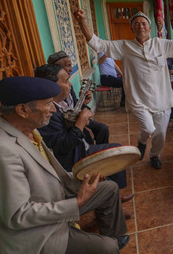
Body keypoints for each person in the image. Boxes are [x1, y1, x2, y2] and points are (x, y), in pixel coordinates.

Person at [0, 76, 141, 254]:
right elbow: (19, 216)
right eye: (48, 103)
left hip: (55, 204)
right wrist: (78, 202)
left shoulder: (28, 132)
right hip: (36, 233)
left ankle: (113, 241)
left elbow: (53, 175)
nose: (54, 109)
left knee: (109, 188)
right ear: (22, 110)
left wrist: (83, 179)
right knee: (105, 247)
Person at [73, 9, 173, 169]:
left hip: (162, 98)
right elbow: (98, 43)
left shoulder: (161, 44)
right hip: (138, 99)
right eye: (136, 24)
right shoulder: (124, 46)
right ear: (132, 29)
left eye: (143, 23)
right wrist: (82, 22)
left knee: (161, 134)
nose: (140, 26)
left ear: (149, 28)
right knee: (148, 128)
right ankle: (142, 142)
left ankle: (154, 155)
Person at [34, 64, 134, 208]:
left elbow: (75, 115)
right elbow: (63, 148)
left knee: (111, 145)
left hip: (81, 146)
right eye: (66, 81)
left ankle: (114, 196)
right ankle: (112, 197)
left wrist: (84, 107)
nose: (70, 84)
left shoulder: (62, 101)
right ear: (51, 86)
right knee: (116, 152)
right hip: (76, 158)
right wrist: (81, 121)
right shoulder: (48, 112)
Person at [47, 50, 110, 145]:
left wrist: (83, 102)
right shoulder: (55, 94)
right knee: (87, 136)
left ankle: (100, 151)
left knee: (103, 129)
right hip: (69, 126)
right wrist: (81, 124)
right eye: (68, 65)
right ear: (57, 68)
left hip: (75, 118)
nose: (71, 69)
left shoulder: (69, 85)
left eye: (71, 65)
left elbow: (73, 106)